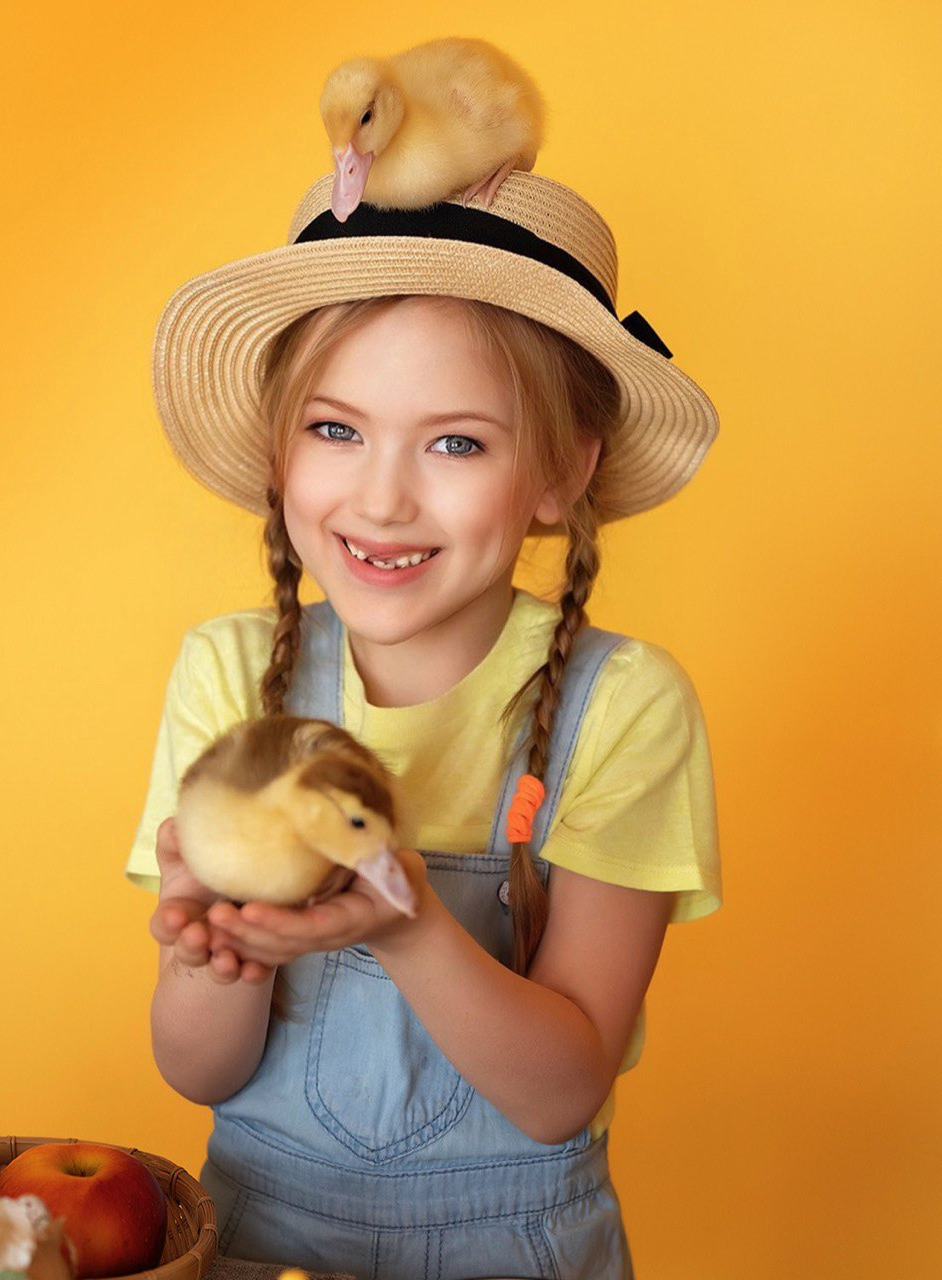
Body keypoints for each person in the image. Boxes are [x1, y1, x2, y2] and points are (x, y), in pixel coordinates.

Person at [127, 172, 722, 1280]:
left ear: (562, 471)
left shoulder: (622, 703)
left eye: (456, 444)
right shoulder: (231, 675)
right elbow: (198, 1072)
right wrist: (218, 949)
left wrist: (403, 922)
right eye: (336, 428)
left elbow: (558, 1094)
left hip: (515, 1244)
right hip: (258, 1236)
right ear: (277, 448)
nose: (384, 497)